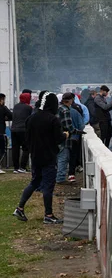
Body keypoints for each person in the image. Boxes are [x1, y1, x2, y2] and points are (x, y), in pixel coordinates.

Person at [13, 92, 67, 224]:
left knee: (35, 182)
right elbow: (59, 139)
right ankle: (48, 215)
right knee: (48, 186)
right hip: (49, 156)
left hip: (35, 156)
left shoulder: (31, 118)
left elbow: (27, 139)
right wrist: (66, 135)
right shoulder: (53, 119)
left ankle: (20, 208)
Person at [56, 93, 83, 184]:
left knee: (60, 157)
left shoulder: (58, 108)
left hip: (57, 136)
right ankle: (60, 178)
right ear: (71, 100)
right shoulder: (65, 110)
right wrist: (78, 132)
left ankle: (59, 176)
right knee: (64, 158)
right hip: (65, 137)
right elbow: (68, 126)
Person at [11, 93, 33, 173]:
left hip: (13, 129)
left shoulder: (15, 106)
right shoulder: (28, 107)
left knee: (15, 149)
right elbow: (31, 118)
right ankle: (22, 167)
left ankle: (15, 168)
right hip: (23, 130)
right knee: (26, 148)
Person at [67, 98, 85, 182]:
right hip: (74, 137)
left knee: (62, 156)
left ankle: (60, 174)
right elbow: (81, 125)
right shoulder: (75, 112)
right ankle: (71, 174)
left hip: (62, 138)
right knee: (73, 156)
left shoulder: (59, 111)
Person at [0, 93, 13, 174]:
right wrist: (4, 118)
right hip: (1, 132)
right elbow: (11, 116)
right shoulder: (3, 108)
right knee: (2, 150)